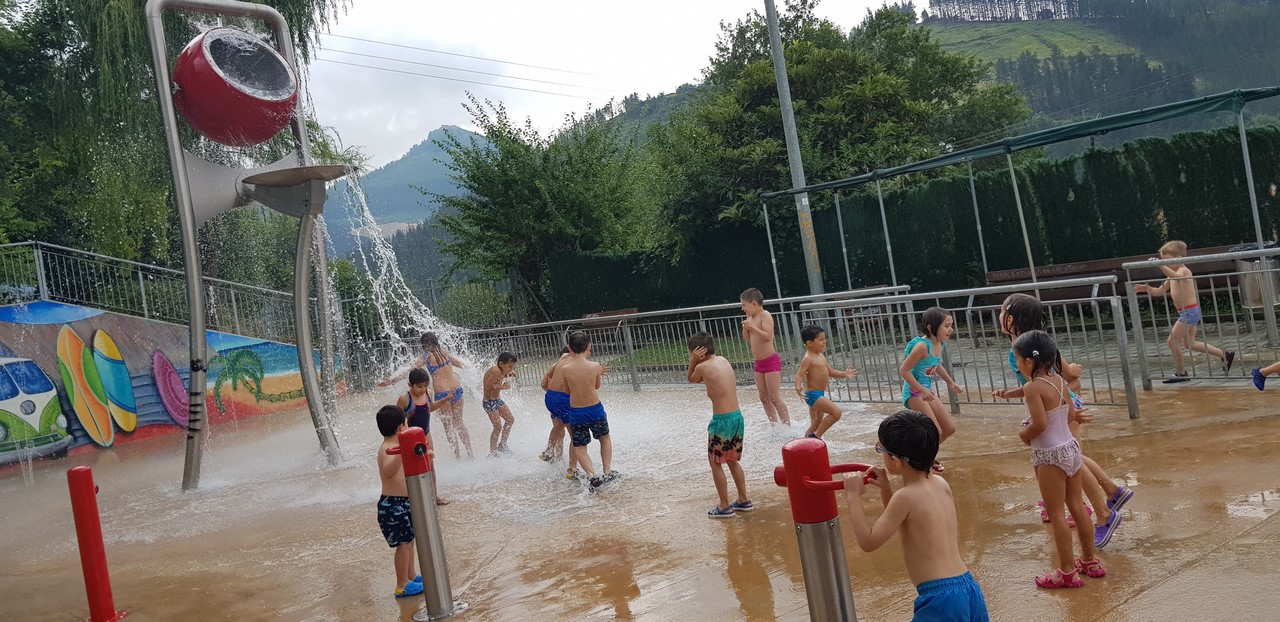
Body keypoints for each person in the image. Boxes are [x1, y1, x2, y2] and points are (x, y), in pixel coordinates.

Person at [993, 293, 1132, 548]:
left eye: (1001, 311)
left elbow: (1067, 376)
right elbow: (1058, 377)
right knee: (1073, 457)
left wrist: (1067, 391)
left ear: (1010, 319)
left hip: (1060, 409)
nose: (999, 316)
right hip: (1059, 406)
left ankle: (1104, 512)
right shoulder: (1031, 344)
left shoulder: (1028, 347)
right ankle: (1112, 492)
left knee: (1072, 460)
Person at [841, 410, 989, 620]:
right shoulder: (939, 484)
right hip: (968, 589)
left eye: (881, 449)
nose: (880, 453)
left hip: (940, 599)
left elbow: (869, 541)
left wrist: (853, 494)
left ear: (896, 461)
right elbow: (903, 521)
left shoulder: (905, 497)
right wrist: (885, 489)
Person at [1012, 331, 1105, 588]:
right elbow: (1071, 414)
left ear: (1028, 362)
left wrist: (1024, 434)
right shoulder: (1060, 381)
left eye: (1017, 360)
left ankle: (1066, 572)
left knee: (1056, 514)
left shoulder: (1032, 387)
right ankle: (1090, 561)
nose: (1017, 365)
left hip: (1049, 455)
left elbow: (1040, 424)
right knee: (1077, 506)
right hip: (1070, 449)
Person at [1134, 240, 1236, 382]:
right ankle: (1225, 355)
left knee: (1172, 342)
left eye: (1167, 261)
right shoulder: (1172, 274)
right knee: (1190, 344)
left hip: (1189, 312)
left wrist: (1161, 265)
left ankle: (1181, 373)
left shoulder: (1184, 271)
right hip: (1186, 312)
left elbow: (1178, 277)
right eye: (1163, 261)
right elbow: (1159, 291)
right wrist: (1147, 289)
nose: (1166, 264)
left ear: (1179, 258)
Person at [687, 332, 753, 519]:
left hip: (721, 421)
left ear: (698, 353)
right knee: (732, 460)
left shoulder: (702, 366)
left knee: (715, 462)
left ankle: (724, 506)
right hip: (737, 417)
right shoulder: (723, 360)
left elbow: (691, 378)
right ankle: (743, 500)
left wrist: (693, 361)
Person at [899, 307, 962, 473]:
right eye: (946, 326)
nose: (951, 329)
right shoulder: (922, 346)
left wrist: (950, 382)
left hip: (926, 391)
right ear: (930, 327)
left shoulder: (939, 343)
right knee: (935, 431)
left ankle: (917, 455)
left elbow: (936, 364)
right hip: (914, 393)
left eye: (951, 325)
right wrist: (920, 390)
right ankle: (922, 459)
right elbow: (904, 370)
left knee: (949, 429)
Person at [375, 405, 425, 598]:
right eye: (406, 423)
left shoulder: (395, 447)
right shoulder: (387, 449)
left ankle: (411, 575)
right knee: (403, 545)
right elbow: (388, 472)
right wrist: (400, 454)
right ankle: (401, 584)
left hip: (402, 503)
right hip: (392, 505)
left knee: (409, 541)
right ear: (400, 428)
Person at [561, 331, 615, 491]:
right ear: (589, 347)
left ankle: (592, 475)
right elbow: (597, 386)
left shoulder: (565, 369)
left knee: (579, 446)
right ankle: (607, 471)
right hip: (595, 409)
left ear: (569, 348)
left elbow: (567, 391)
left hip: (577, 412)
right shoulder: (595, 366)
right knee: (604, 438)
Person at [395, 369, 450, 506]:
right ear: (410, 385)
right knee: (409, 468)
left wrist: (445, 399)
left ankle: (434, 495)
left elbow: (430, 408)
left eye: (425, 385)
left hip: (426, 434)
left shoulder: (429, 393)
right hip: (410, 437)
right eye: (419, 386)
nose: (423, 389)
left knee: (430, 465)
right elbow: (398, 420)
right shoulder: (404, 399)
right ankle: (409, 497)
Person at [794, 325, 857, 439]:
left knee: (816, 424)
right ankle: (816, 436)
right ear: (809, 343)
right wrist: (798, 388)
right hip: (813, 395)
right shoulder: (808, 358)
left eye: (825, 339)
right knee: (836, 413)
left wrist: (844, 374)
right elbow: (799, 374)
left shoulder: (820, 356)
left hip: (819, 394)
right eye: (821, 340)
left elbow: (831, 372)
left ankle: (806, 442)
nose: (825, 342)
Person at [419, 332, 475, 461]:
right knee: (459, 423)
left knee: (448, 426)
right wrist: (476, 368)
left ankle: (457, 457)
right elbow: (462, 365)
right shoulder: (445, 353)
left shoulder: (426, 357)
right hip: (457, 389)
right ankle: (470, 453)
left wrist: (391, 381)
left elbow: (410, 370)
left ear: (424, 344)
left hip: (442, 394)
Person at [740, 288, 790, 426]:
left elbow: (768, 337)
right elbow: (747, 338)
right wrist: (745, 328)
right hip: (758, 363)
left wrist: (753, 327)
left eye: (744, 305)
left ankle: (787, 426)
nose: (742, 308)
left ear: (754, 303)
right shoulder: (750, 317)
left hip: (770, 360)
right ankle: (774, 425)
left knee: (774, 397)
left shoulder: (765, 315)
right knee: (763, 398)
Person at [540, 346, 581, 478]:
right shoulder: (572, 365)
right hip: (563, 401)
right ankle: (572, 468)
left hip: (552, 399)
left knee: (559, 428)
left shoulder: (556, 365)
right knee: (574, 435)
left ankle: (553, 455)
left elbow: (543, 385)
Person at [482, 352, 518, 457]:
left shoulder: (501, 370)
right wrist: (503, 387)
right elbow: (489, 385)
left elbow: (500, 377)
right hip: (489, 402)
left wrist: (509, 373)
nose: (511, 369)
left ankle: (502, 445)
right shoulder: (496, 371)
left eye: (512, 367)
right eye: (509, 367)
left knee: (510, 419)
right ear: (501, 364)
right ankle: (492, 453)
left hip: (497, 400)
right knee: (497, 426)